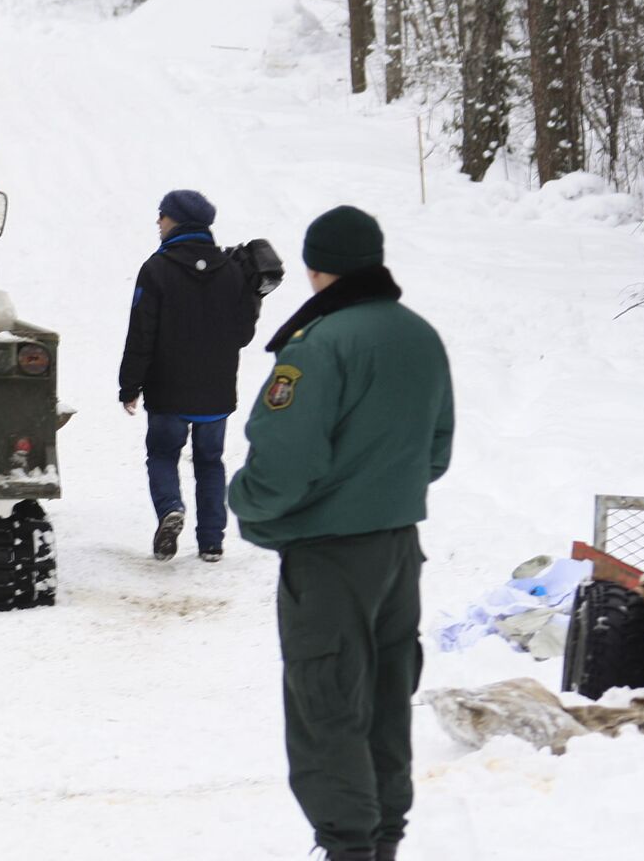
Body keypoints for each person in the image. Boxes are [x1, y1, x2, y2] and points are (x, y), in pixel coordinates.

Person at [227, 206, 453, 861]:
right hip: (398, 549)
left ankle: (348, 848)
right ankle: (383, 843)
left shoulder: (320, 346)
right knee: (387, 698)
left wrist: (249, 505)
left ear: (315, 267)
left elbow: (283, 465)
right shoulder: (421, 337)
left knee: (326, 705)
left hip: (329, 557)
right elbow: (435, 453)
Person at [118, 189, 261, 562]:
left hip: (168, 391)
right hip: (216, 392)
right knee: (210, 462)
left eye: (162, 216)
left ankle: (170, 510)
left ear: (177, 221)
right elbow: (243, 335)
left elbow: (142, 332)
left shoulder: (157, 269)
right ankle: (212, 542)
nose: (158, 222)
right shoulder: (232, 270)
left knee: (163, 454)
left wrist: (129, 384)